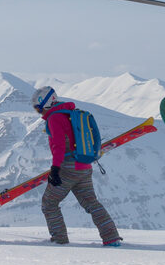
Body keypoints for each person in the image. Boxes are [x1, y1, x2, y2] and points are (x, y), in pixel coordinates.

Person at [33, 86, 123, 247]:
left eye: (38, 108)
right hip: (85, 167)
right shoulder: (72, 114)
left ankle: (59, 240)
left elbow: (59, 146)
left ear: (46, 103)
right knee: (91, 203)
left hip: (67, 169)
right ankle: (112, 238)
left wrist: (55, 169)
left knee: (49, 203)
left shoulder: (54, 118)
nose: (38, 112)